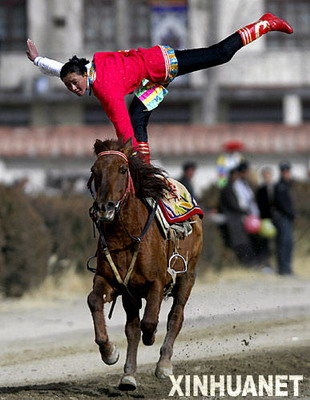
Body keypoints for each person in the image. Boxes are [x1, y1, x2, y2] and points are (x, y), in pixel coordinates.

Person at [26, 13, 293, 162]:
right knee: (138, 118)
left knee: (220, 54)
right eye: (69, 87)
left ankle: (264, 23)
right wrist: (39, 60)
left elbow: (122, 128)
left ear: (84, 74)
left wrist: (129, 158)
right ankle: (147, 167)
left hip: (161, 65)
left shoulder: (106, 88)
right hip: (148, 83)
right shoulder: (88, 69)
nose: (73, 89)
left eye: (74, 83)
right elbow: (64, 69)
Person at [273, 161, 295, 275]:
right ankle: (283, 269)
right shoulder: (280, 186)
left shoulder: (287, 185)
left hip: (287, 218)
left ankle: (287, 268)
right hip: (282, 218)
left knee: (288, 244)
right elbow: (283, 204)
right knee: (283, 243)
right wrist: (291, 213)